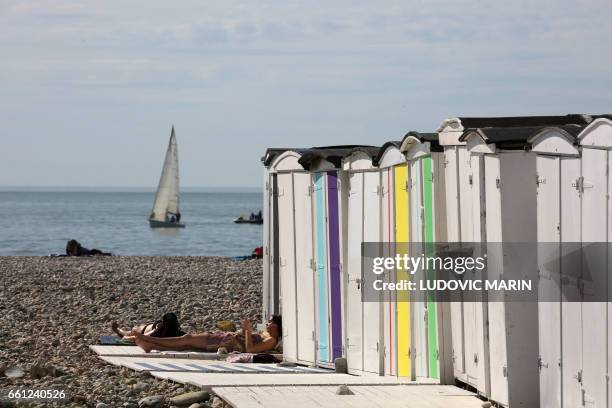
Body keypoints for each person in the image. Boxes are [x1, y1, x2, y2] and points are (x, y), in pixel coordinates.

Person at [128, 315, 282, 354]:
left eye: (270, 322)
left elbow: (249, 350)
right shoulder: (265, 333)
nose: (267, 324)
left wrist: (247, 331)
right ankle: (150, 345)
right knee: (186, 345)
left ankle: (148, 338)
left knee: (186, 339)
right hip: (227, 339)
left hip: (225, 343)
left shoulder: (271, 340)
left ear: (277, 325)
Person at [112, 312, 185, 338]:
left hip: (146, 328)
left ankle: (119, 330)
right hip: (142, 330)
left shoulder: (174, 330)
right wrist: (155, 330)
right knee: (128, 333)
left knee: (130, 332)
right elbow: (141, 337)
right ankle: (119, 330)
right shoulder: (160, 330)